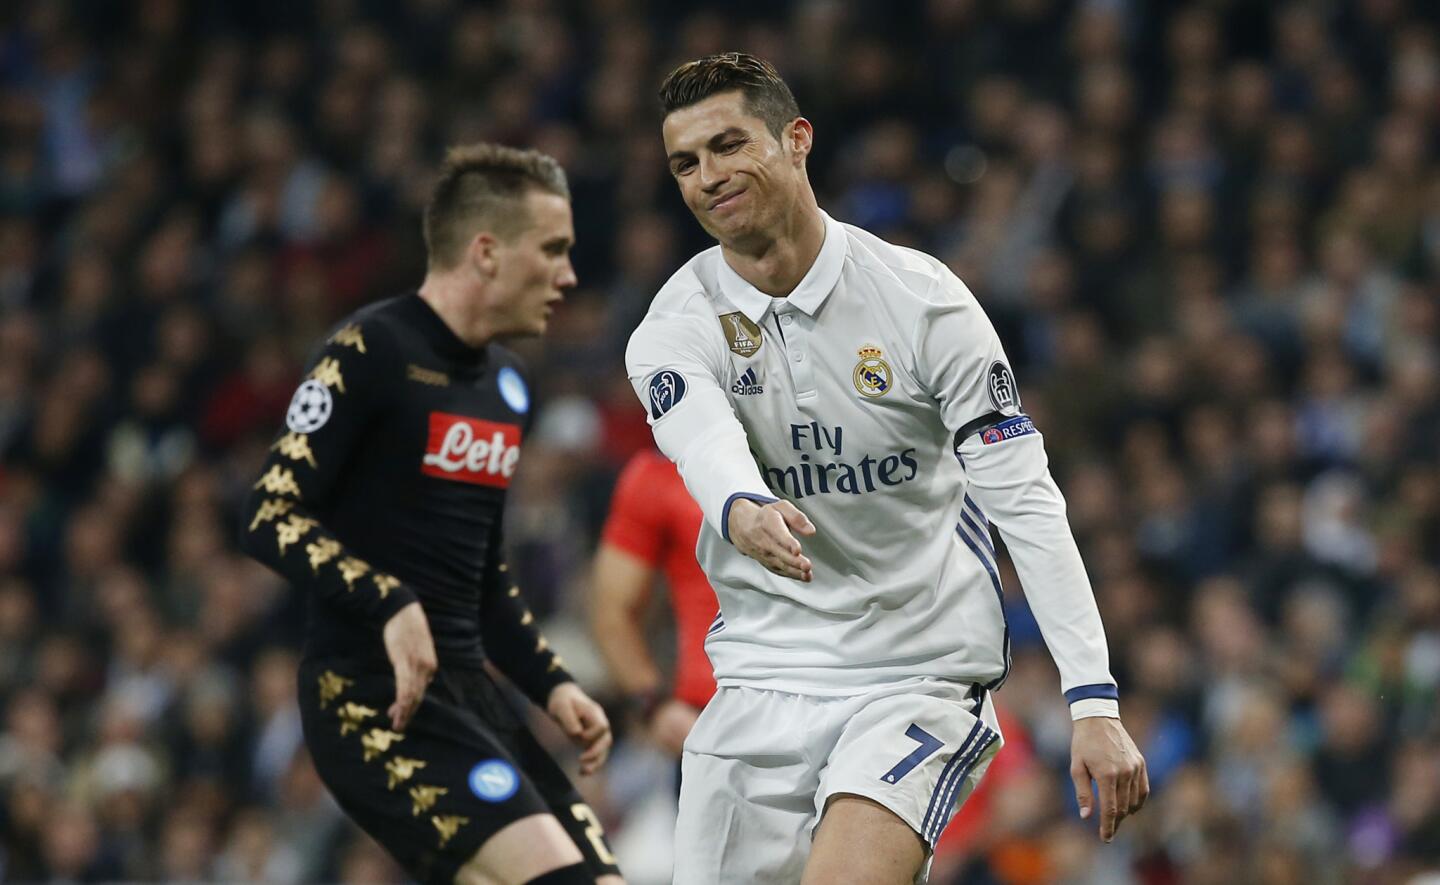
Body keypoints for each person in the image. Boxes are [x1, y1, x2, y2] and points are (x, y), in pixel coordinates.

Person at [625, 53, 1148, 884]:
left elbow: (1026, 502)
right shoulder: (674, 324)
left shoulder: (922, 301)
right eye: (686, 162)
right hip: (760, 675)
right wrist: (740, 504)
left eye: (728, 145)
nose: (708, 177)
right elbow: (700, 433)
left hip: (915, 672)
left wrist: (1093, 700)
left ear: (797, 140)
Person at [240, 143, 624, 885]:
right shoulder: (370, 349)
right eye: (553, 250)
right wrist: (390, 600)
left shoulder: (508, 388)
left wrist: (550, 683)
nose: (569, 275)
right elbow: (268, 509)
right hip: (371, 697)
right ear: (485, 251)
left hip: (475, 700)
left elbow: (479, 576)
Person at [590, 449, 715, 758]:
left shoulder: (829, 458)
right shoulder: (665, 475)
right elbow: (611, 611)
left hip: (834, 708)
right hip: (709, 719)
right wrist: (654, 706)